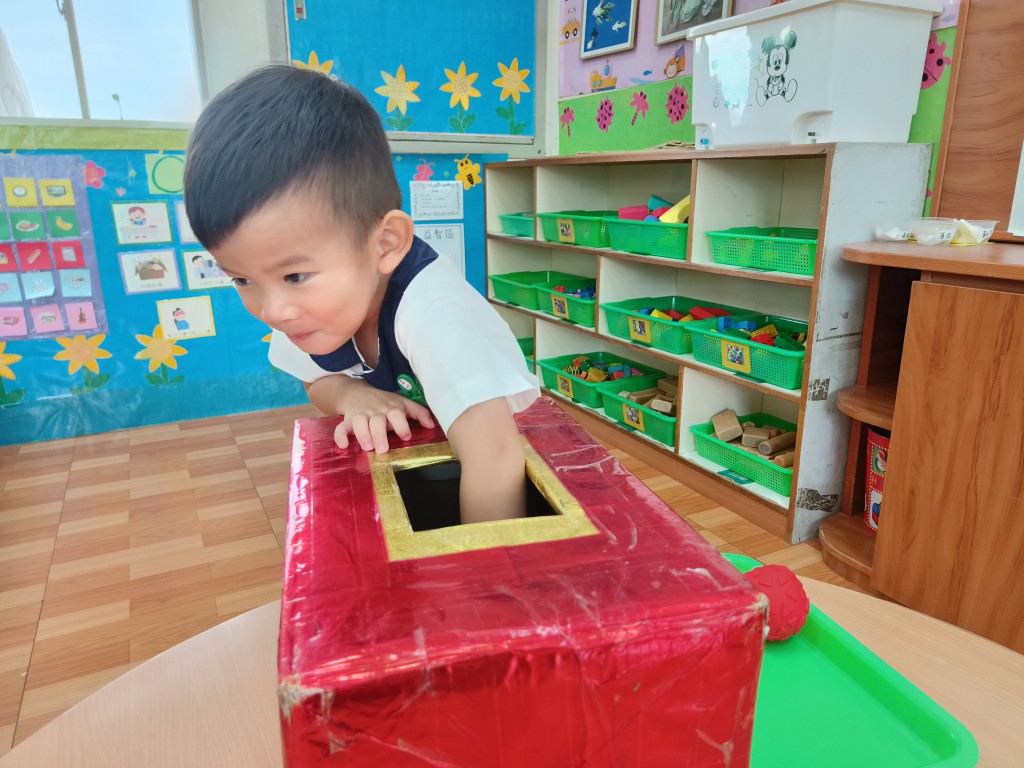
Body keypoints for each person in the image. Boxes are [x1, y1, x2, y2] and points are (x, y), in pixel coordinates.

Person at [183, 65, 539, 523]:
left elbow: (496, 459)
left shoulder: (435, 312)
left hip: (505, 478)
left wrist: (476, 564)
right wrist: (352, 395)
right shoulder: (305, 309)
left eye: (295, 276)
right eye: (241, 279)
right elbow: (316, 379)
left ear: (385, 244)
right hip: (425, 470)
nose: (272, 311)